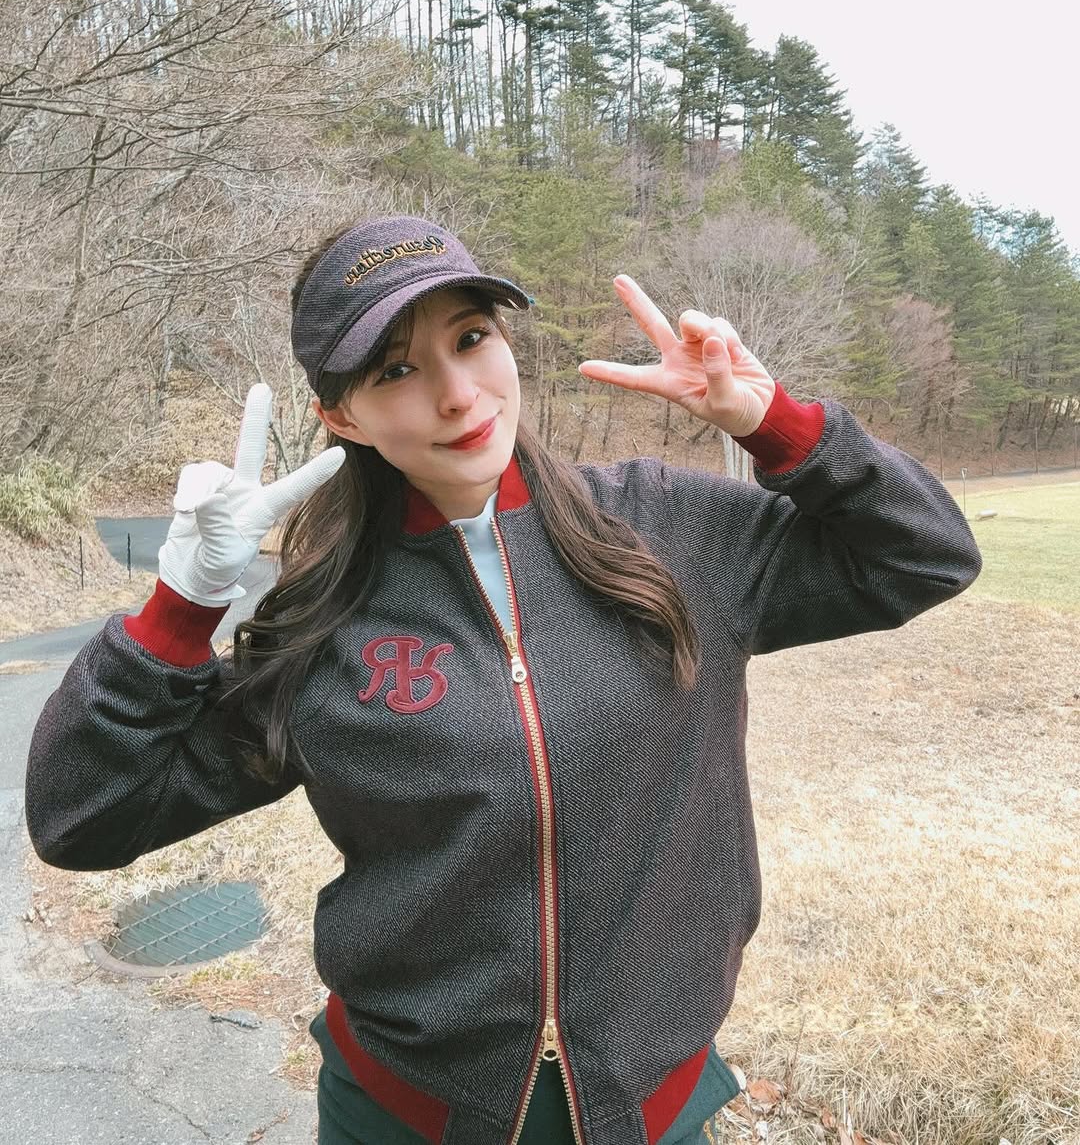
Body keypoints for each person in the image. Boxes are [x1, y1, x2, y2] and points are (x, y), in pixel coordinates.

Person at [25, 215, 982, 1145]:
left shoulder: (673, 533)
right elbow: (82, 819)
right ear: (341, 415)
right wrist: (181, 607)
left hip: (653, 1106)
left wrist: (776, 424)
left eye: (471, 338)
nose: (457, 394)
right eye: (395, 369)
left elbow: (926, 555)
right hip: (405, 1113)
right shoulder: (322, 625)